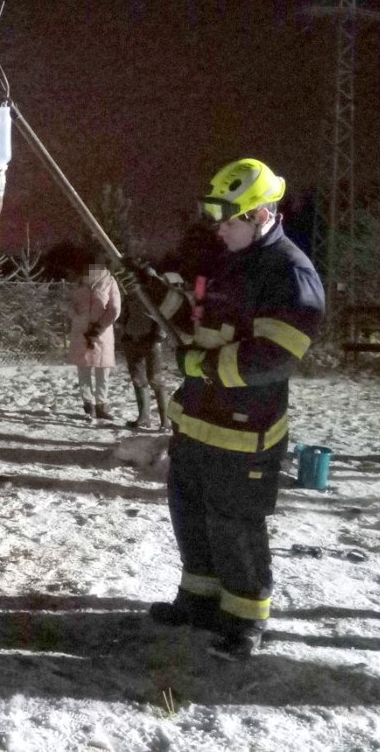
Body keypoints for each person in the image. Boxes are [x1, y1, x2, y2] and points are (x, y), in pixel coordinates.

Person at [146, 158, 325, 661]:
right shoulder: (229, 259)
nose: (220, 230)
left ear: (262, 214)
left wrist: (200, 366)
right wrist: (154, 289)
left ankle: (245, 618)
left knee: (235, 524)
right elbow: (196, 317)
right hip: (198, 421)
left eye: (231, 221)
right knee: (191, 514)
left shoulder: (290, 273)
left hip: (245, 431)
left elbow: (273, 357)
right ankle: (199, 600)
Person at [116, 261, 170, 430]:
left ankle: (165, 421)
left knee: (156, 380)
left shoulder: (157, 297)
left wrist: (157, 337)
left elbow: (163, 319)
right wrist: (124, 334)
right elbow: (124, 315)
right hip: (132, 340)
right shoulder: (131, 294)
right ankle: (144, 417)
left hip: (151, 341)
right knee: (138, 380)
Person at [67, 263, 122, 420]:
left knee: (102, 370)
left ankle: (101, 405)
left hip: (101, 333)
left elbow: (114, 308)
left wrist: (99, 327)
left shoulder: (109, 282)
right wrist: (76, 317)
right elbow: (69, 304)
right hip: (81, 332)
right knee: (83, 369)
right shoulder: (79, 283)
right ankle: (88, 404)